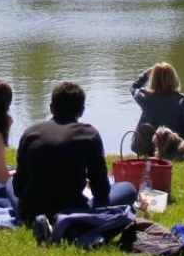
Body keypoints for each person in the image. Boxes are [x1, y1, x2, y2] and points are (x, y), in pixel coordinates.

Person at [13, 81, 137, 223]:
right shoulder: (89, 135)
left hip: (32, 211)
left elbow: (18, 188)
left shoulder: (30, 133)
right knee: (128, 189)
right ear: (82, 110)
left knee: (9, 182)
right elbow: (101, 191)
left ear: (51, 108)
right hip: (74, 209)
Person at [129, 61, 184, 156]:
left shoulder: (146, 98)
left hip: (145, 148)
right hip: (172, 149)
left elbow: (134, 87)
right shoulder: (182, 101)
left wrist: (146, 74)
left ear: (153, 79)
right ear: (174, 79)